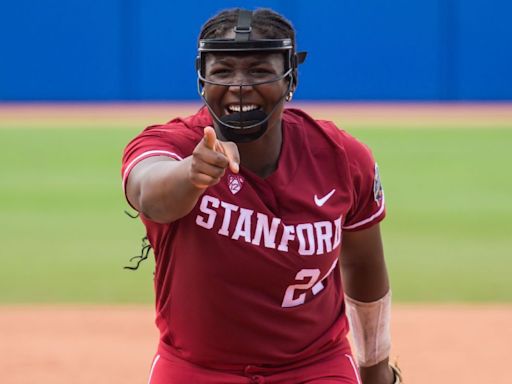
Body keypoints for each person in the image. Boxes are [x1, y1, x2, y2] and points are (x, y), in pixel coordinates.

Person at [121, 8, 402, 384]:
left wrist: (375, 370)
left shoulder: (341, 157)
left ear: (291, 77)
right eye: (223, 70)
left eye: (259, 70)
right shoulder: (171, 144)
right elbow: (148, 191)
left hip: (315, 368)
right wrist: (191, 174)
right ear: (202, 79)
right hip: (197, 369)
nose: (239, 84)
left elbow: (364, 264)